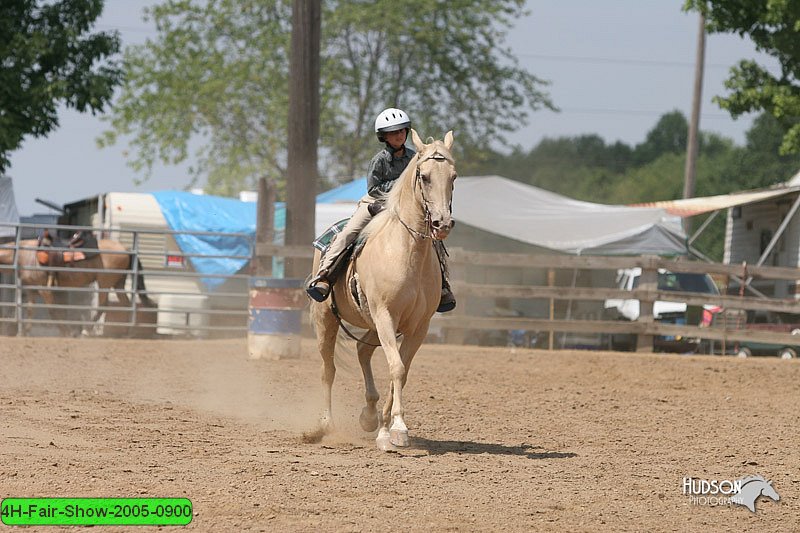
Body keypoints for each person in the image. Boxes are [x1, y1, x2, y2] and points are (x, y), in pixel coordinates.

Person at [306, 107, 456, 313]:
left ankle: (442, 286)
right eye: (393, 133)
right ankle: (325, 275)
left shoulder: (415, 159)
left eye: (402, 131)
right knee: (349, 233)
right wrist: (399, 186)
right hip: (375, 204)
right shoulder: (379, 160)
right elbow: (373, 188)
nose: (399, 135)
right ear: (384, 137)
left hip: (403, 208)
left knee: (433, 241)